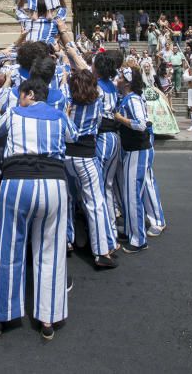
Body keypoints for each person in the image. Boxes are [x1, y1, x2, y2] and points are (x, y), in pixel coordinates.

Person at [0, 77, 70, 340]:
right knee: (50, 250)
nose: (20, 100)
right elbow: (74, 135)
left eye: (21, 95)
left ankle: (1, 316)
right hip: (54, 185)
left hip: (17, 182)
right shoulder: (59, 116)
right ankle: (48, 318)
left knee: (9, 248)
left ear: (29, 94)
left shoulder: (14, 113)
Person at [65, 69, 118, 268]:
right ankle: (101, 251)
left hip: (66, 155)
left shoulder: (67, 102)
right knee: (94, 202)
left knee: (68, 199)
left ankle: (68, 239)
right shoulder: (97, 104)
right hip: (86, 155)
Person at [114, 67, 155, 253]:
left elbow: (140, 124)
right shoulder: (129, 98)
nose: (119, 78)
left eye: (122, 77)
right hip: (132, 150)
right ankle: (133, 231)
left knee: (132, 195)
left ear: (128, 82)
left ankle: (138, 240)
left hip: (137, 150)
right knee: (129, 194)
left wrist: (119, 118)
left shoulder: (133, 100)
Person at [93, 52, 120, 246]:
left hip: (103, 136)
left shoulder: (98, 87)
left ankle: (107, 237)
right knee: (107, 186)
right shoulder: (112, 86)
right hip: (114, 137)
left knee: (100, 187)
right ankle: (111, 230)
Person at [141, 61, 179, 135]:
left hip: (155, 92)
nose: (146, 68)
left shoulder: (154, 76)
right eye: (145, 67)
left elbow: (159, 85)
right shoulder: (141, 76)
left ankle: (159, 129)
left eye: (147, 66)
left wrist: (163, 94)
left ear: (150, 67)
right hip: (144, 93)